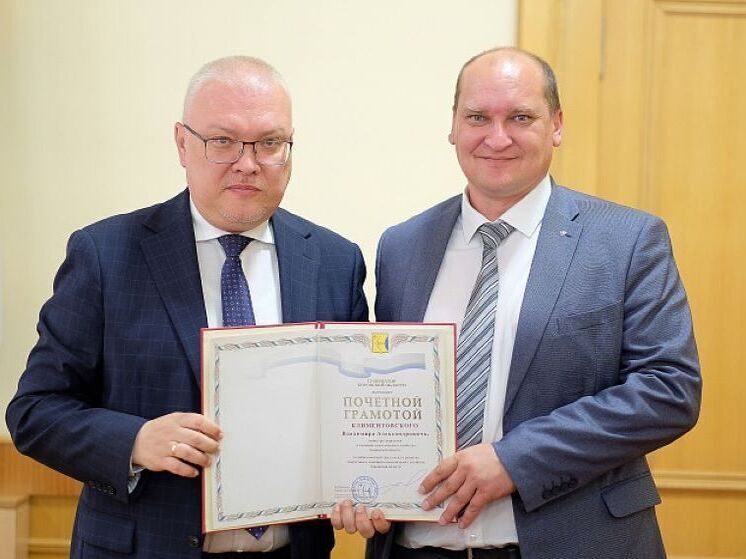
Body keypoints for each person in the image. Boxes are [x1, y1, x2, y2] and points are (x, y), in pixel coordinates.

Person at [331, 47, 701, 559]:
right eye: (477, 117)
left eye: (521, 117)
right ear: (453, 127)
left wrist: (515, 460)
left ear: (557, 125)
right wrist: (358, 481)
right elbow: (384, 389)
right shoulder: (402, 246)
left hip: (574, 544)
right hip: (416, 546)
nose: (497, 137)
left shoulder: (627, 240)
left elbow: (669, 389)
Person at [6, 56, 368, 559]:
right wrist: (135, 441)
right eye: (222, 140)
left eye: (269, 142)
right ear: (182, 143)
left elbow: (350, 413)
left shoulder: (335, 261)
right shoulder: (105, 255)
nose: (247, 163)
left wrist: (370, 482)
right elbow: (35, 411)